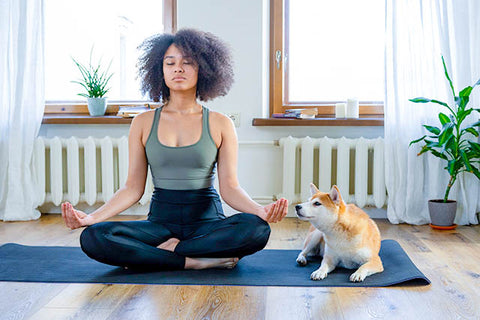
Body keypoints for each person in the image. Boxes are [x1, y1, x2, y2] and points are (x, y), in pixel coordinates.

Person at [61, 28, 288, 271]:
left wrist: (259, 211)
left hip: (207, 223)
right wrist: (92, 217)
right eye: (170, 63)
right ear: (160, 71)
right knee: (94, 237)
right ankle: (192, 261)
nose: (177, 68)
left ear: (204, 70)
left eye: (187, 63)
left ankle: (169, 253)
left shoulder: (221, 123)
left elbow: (230, 188)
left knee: (256, 230)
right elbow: (132, 188)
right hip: (160, 225)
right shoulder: (143, 122)